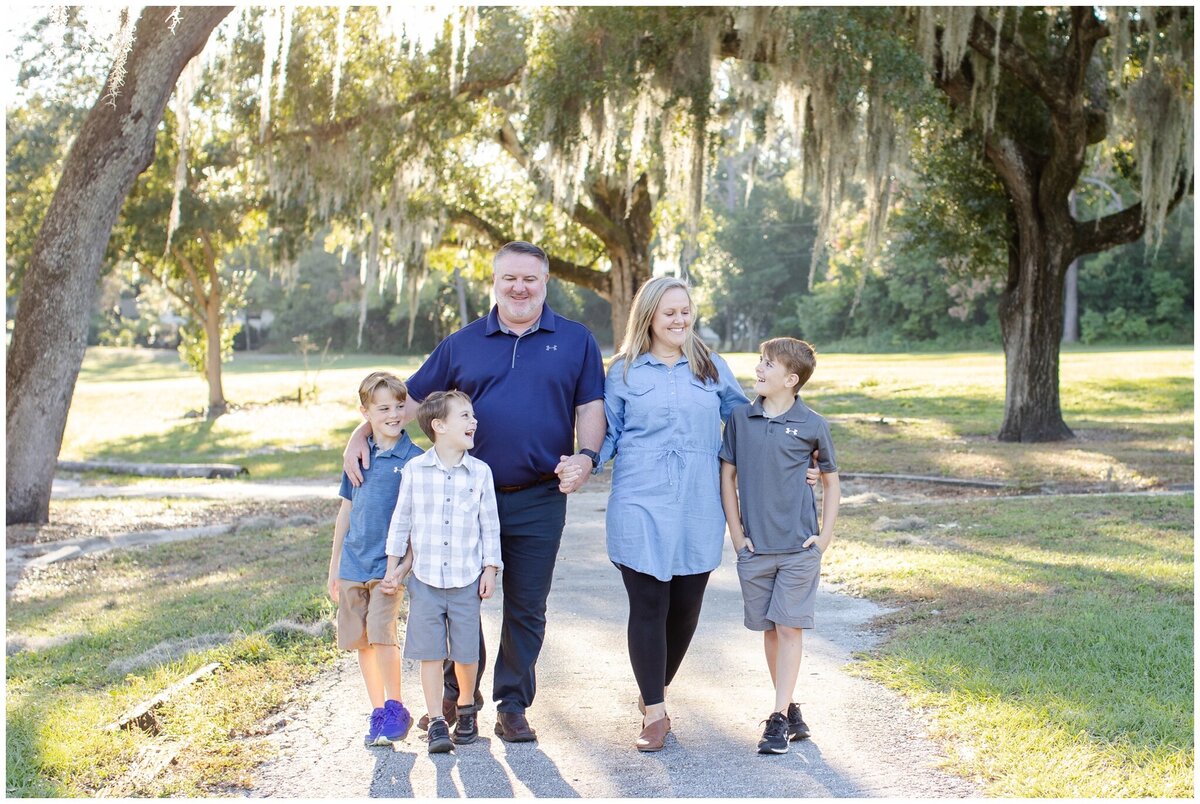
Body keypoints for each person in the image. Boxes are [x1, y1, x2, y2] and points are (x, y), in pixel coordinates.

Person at [345, 241, 606, 742]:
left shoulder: (575, 340)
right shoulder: (462, 343)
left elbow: (590, 407)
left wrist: (586, 458)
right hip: (461, 496)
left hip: (539, 494)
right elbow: (408, 400)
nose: (519, 287)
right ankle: (460, 696)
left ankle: (513, 704)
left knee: (527, 605)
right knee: (454, 595)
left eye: (530, 278)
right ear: (494, 281)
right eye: (509, 278)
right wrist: (362, 432)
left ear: (546, 281)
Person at [587, 276, 750, 752]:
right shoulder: (624, 372)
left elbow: (744, 421)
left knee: (684, 610)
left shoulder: (711, 367)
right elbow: (611, 433)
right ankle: (656, 712)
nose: (680, 320)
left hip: (698, 501)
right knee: (649, 604)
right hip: (639, 496)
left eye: (685, 311)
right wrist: (587, 459)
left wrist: (794, 454)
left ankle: (650, 690)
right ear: (649, 318)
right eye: (670, 313)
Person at [719, 337, 841, 754]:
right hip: (755, 550)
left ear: (791, 379)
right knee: (771, 629)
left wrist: (824, 537)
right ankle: (789, 708)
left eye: (768, 364)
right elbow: (727, 477)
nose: (758, 369)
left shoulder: (812, 424)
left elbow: (830, 478)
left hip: (797, 548)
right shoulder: (739, 418)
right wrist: (736, 536)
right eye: (760, 361)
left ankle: (775, 719)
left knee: (789, 626)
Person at [382, 391, 503, 753]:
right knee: (430, 653)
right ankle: (436, 720)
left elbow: (490, 526)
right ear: (439, 426)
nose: (474, 422)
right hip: (427, 580)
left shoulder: (480, 472)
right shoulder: (416, 471)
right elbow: (400, 520)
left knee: (466, 653)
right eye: (465, 416)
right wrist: (394, 568)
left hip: (466, 578)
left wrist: (490, 568)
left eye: (472, 416)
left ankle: (466, 707)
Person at [326, 371, 422, 747]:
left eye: (399, 406)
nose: (394, 414)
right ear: (365, 412)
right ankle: (378, 710)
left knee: (383, 636)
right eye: (383, 408)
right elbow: (345, 513)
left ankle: (397, 705)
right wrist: (334, 566)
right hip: (353, 564)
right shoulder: (357, 456)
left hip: (387, 567)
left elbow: (418, 523)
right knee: (362, 642)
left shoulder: (415, 460)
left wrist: (403, 567)